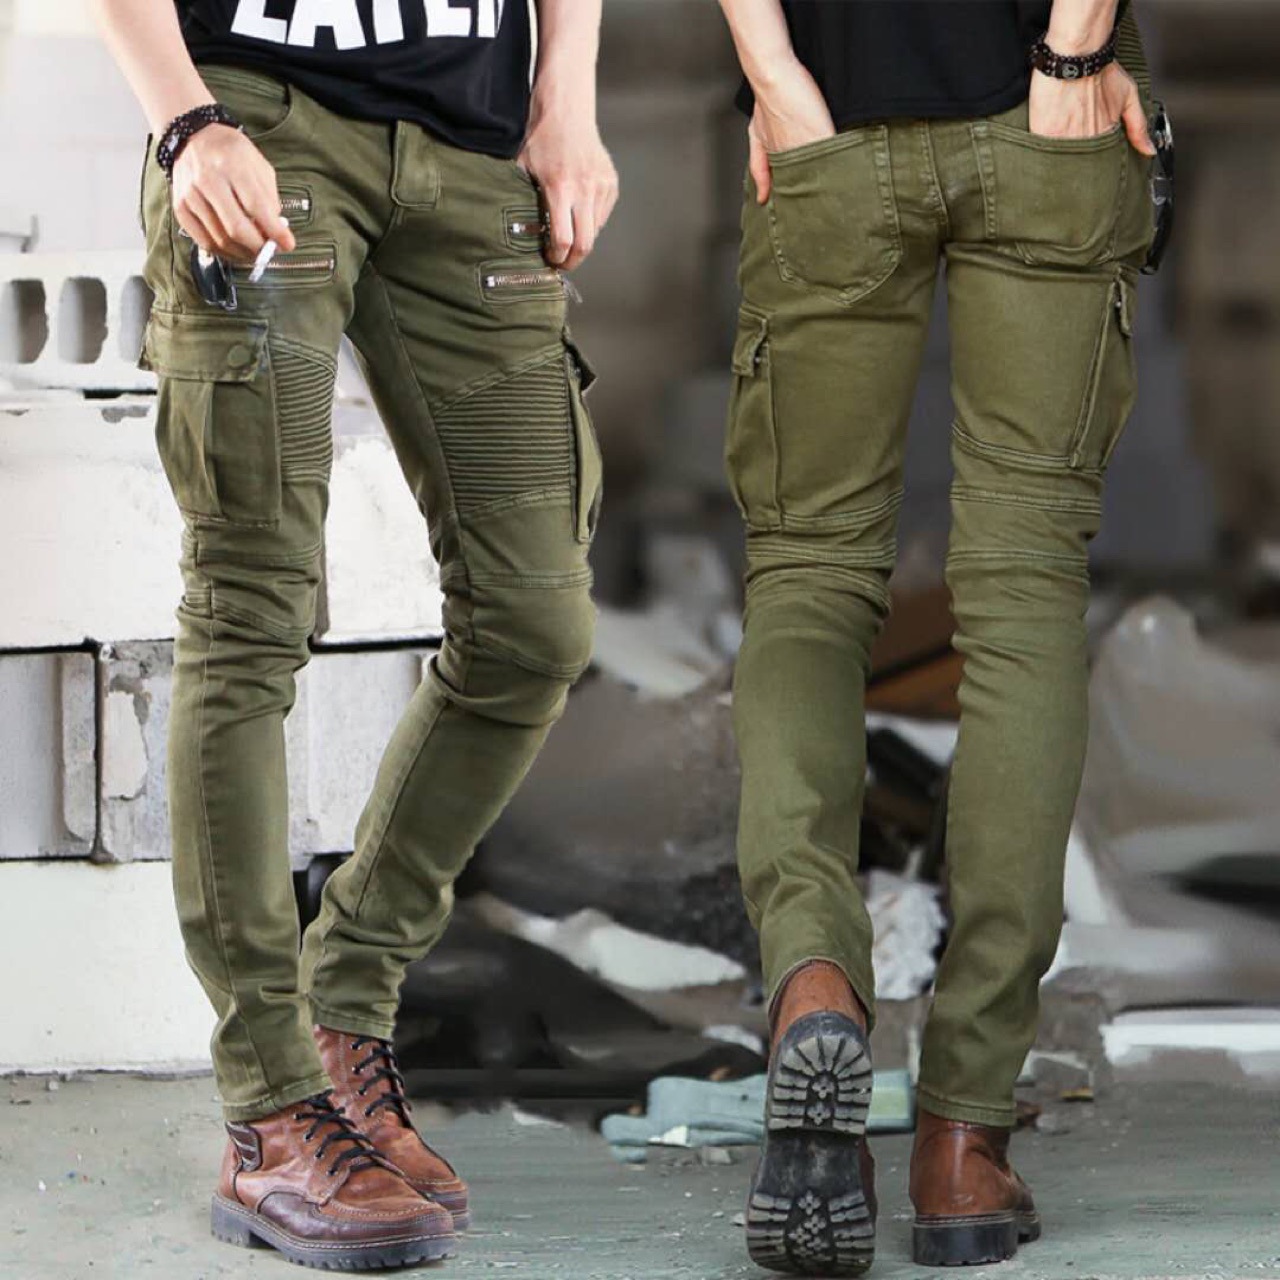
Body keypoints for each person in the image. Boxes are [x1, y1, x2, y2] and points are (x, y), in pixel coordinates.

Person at [92, 0, 616, 1269]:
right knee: (251, 605)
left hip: (471, 137)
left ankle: (343, 1004)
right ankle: (270, 1106)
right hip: (259, 119)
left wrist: (566, 97)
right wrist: (184, 120)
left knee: (534, 620)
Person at [716, 0, 1157, 1272]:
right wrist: (1073, 47)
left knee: (807, 575)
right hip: (1036, 102)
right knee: (1020, 597)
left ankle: (813, 979)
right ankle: (961, 1135)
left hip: (830, 114)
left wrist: (772, 72)